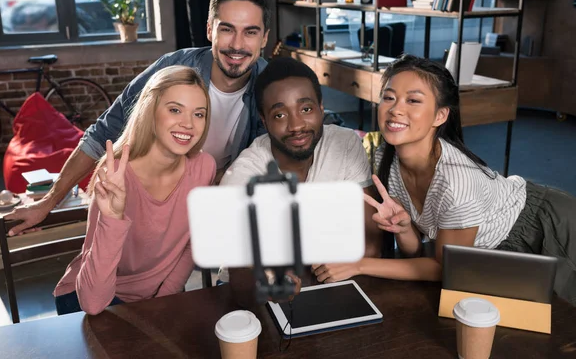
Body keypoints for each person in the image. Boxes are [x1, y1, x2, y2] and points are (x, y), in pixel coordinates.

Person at [6, 0, 270, 236]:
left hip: (219, 201)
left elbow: (265, 159)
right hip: (152, 201)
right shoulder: (171, 69)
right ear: (210, 30)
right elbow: (103, 133)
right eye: (227, 29)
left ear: (264, 38)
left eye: (250, 32)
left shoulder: (270, 87)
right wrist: (48, 202)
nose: (237, 44)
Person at [311, 54, 576, 305]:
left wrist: (357, 265)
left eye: (413, 101)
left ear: (440, 115)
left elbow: (445, 269)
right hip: (483, 248)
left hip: (546, 227)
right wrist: (404, 229)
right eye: (389, 97)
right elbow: (415, 253)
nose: (395, 109)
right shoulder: (385, 157)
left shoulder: (457, 182)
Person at [53, 65, 216, 315]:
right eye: (175, 110)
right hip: (92, 297)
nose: (188, 124)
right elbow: (93, 303)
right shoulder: (115, 176)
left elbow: (192, 242)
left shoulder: (204, 167)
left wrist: (164, 298)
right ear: (150, 112)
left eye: (199, 114)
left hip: (158, 296)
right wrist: (113, 218)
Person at [220, 57, 381, 304]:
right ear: (264, 121)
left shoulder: (345, 144)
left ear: (321, 108)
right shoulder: (244, 177)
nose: (296, 126)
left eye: (306, 109)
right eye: (280, 114)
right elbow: (240, 280)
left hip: (337, 287)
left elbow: (371, 246)